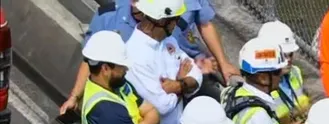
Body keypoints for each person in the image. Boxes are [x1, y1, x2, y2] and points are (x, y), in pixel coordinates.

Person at [59, 0, 237, 114]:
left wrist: (220, 63)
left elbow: (186, 56)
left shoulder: (170, 25)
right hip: (129, 107)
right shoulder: (109, 17)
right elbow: (90, 61)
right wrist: (74, 97)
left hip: (164, 107)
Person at [258, 20, 311, 124]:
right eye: (283, 55)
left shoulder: (295, 72)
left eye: (290, 54)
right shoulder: (258, 86)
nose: (288, 60)